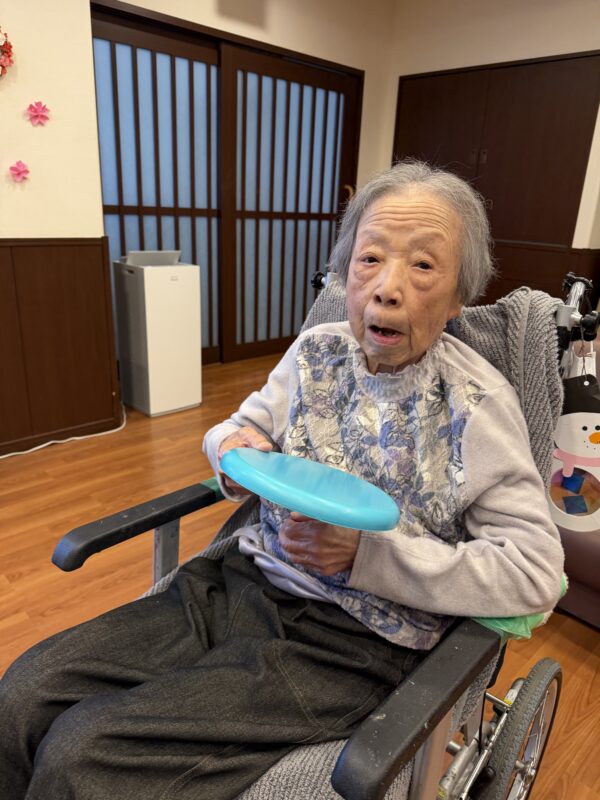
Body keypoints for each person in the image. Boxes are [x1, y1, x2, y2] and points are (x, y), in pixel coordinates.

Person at [0, 161, 564, 800]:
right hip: (239, 583)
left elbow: (535, 573)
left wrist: (368, 557)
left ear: (459, 295)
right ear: (346, 274)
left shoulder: (477, 405)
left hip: (352, 645)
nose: (387, 288)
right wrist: (230, 449)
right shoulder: (316, 351)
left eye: (423, 266)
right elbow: (240, 428)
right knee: (22, 693)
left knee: (83, 756)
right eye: (370, 259)